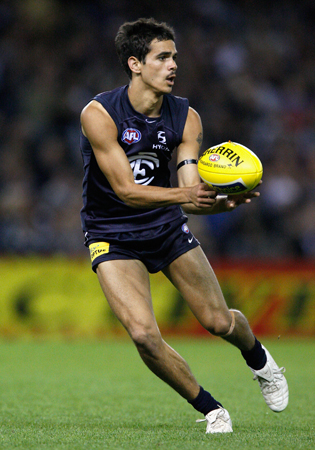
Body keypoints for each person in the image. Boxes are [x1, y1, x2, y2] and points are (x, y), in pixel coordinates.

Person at [79, 18, 288, 434]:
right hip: (110, 232)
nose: (173, 64)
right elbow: (125, 190)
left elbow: (191, 190)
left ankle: (260, 359)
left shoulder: (186, 117)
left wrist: (221, 203)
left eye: (174, 56)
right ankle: (212, 408)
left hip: (166, 228)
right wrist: (187, 197)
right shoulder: (99, 114)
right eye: (163, 57)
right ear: (135, 64)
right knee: (142, 334)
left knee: (218, 322)